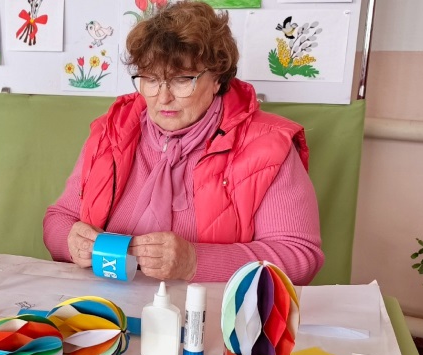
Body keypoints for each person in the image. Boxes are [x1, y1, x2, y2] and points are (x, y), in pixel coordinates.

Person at [43, 1, 324, 284]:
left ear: (217, 79)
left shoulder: (268, 144)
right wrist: (70, 241)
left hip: (207, 308)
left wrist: (194, 261)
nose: (163, 97)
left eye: (181, 80)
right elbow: (58, 219)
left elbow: (299, 256)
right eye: (151, 79)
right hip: (107, 304)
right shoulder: (111, 131)